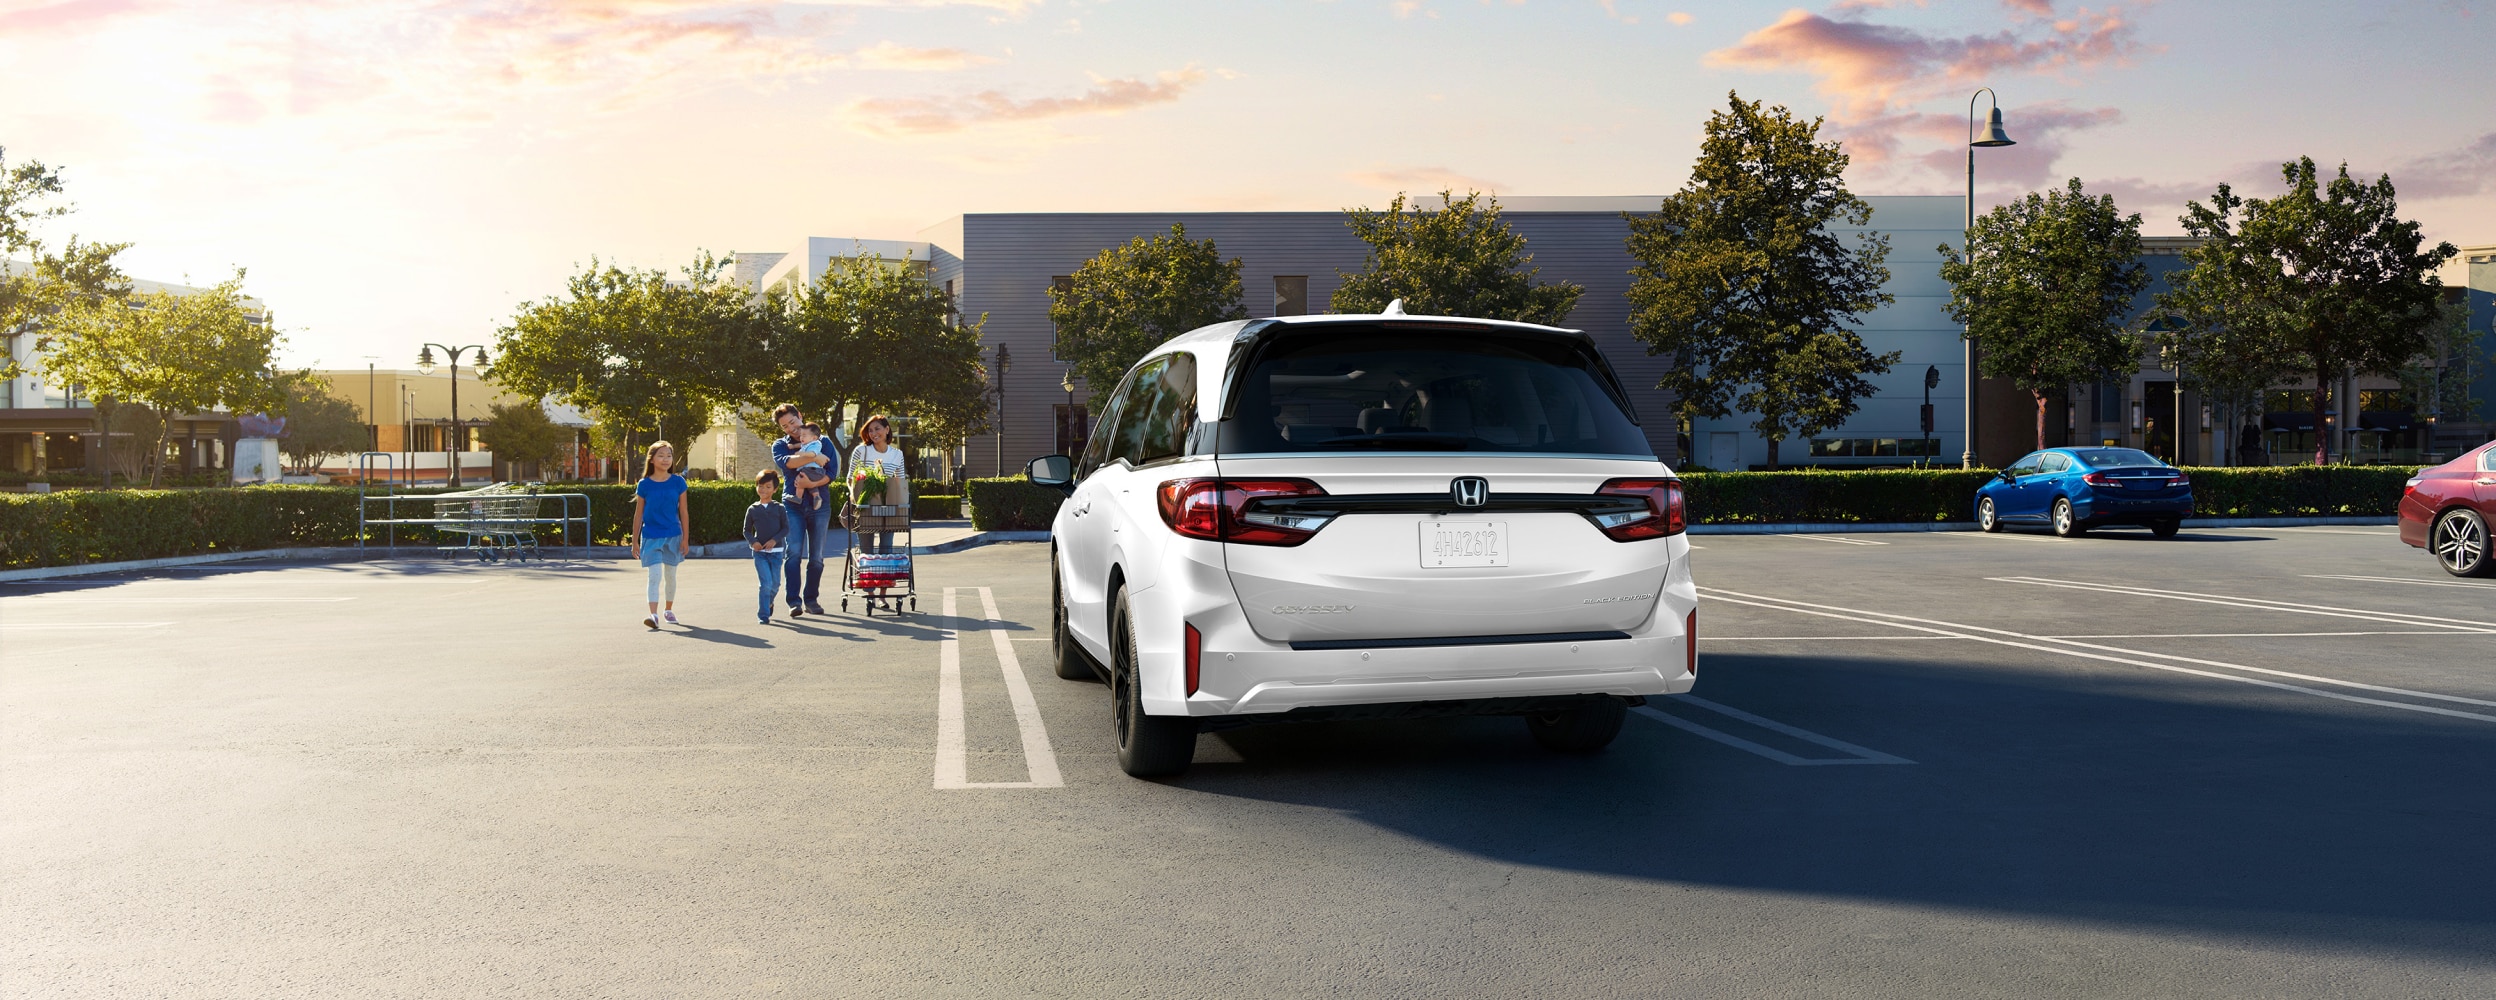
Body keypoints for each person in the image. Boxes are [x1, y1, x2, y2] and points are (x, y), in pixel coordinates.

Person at [770, 403, 834, 617]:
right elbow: (788, 463)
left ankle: (811, 599)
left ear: (800, 415)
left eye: (793, 422)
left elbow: (831, 473)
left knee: (816, 556)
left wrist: (811, 484)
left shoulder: (824, 441)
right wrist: (815, 457)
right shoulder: (780, 445)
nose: (791, 428)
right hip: (793, 505)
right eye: (785, 426)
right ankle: (794, 602)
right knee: (794, 553)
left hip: (819, 505)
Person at [629, 439, 690, 630]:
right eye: (661, 455)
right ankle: (653, 615)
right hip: (651, 536)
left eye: (669, 456)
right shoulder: (644, 484)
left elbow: (684, 512)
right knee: (654, 575)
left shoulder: (678, 482)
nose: (666, 459)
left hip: (673, 535)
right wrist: (634, 541)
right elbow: (638, 514)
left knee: (670, 575)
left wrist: (686, 539)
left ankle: (668, 610)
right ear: (652, 459)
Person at [849, 413, 907, 556]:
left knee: (886, 548)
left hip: (888, 505)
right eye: (870, 430)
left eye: (877, 429)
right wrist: (854, 496)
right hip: (865, 504)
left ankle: (883, 571)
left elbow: (900, 482)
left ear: (887, 429)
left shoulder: (897, 454)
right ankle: (867, 571)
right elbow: (850, 478)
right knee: (866, 549)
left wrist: (902, 505)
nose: (873, 433)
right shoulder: (862, 451)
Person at [744, 470, 791, 625]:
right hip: (760, 554)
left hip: (776, 553)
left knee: (775, 584)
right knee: (765, 584)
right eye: (760, 486)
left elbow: (786, 528)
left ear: (775, 489)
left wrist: (774, 540)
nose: (763, 489)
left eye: (768, 487)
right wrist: (753, 542)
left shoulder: (779, 508)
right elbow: (746, 530)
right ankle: (763, 615)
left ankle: (769, 602)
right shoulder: (752, 509)